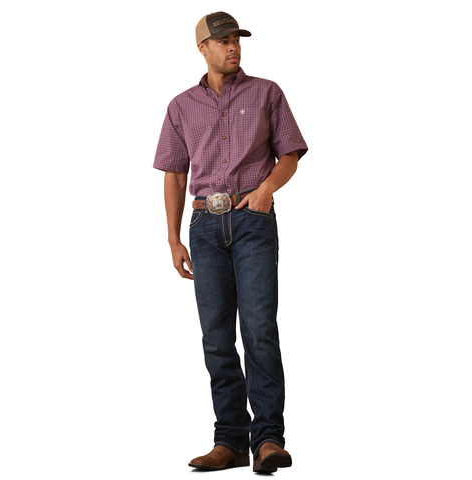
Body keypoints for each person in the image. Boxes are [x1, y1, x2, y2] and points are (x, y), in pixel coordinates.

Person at [153, 11, 308, 473]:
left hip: (252, 219)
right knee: (217, 337)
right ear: (202, 48)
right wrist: (173, 238)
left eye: (237, 39)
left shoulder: (267, 92)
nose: (233, 47)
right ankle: (230, 441)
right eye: (222, 41)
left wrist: (265, 191)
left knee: (259, 328)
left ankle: (268, 439)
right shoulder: (181, 106)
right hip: (204, 226)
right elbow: (174, 173)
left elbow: (290, 154)